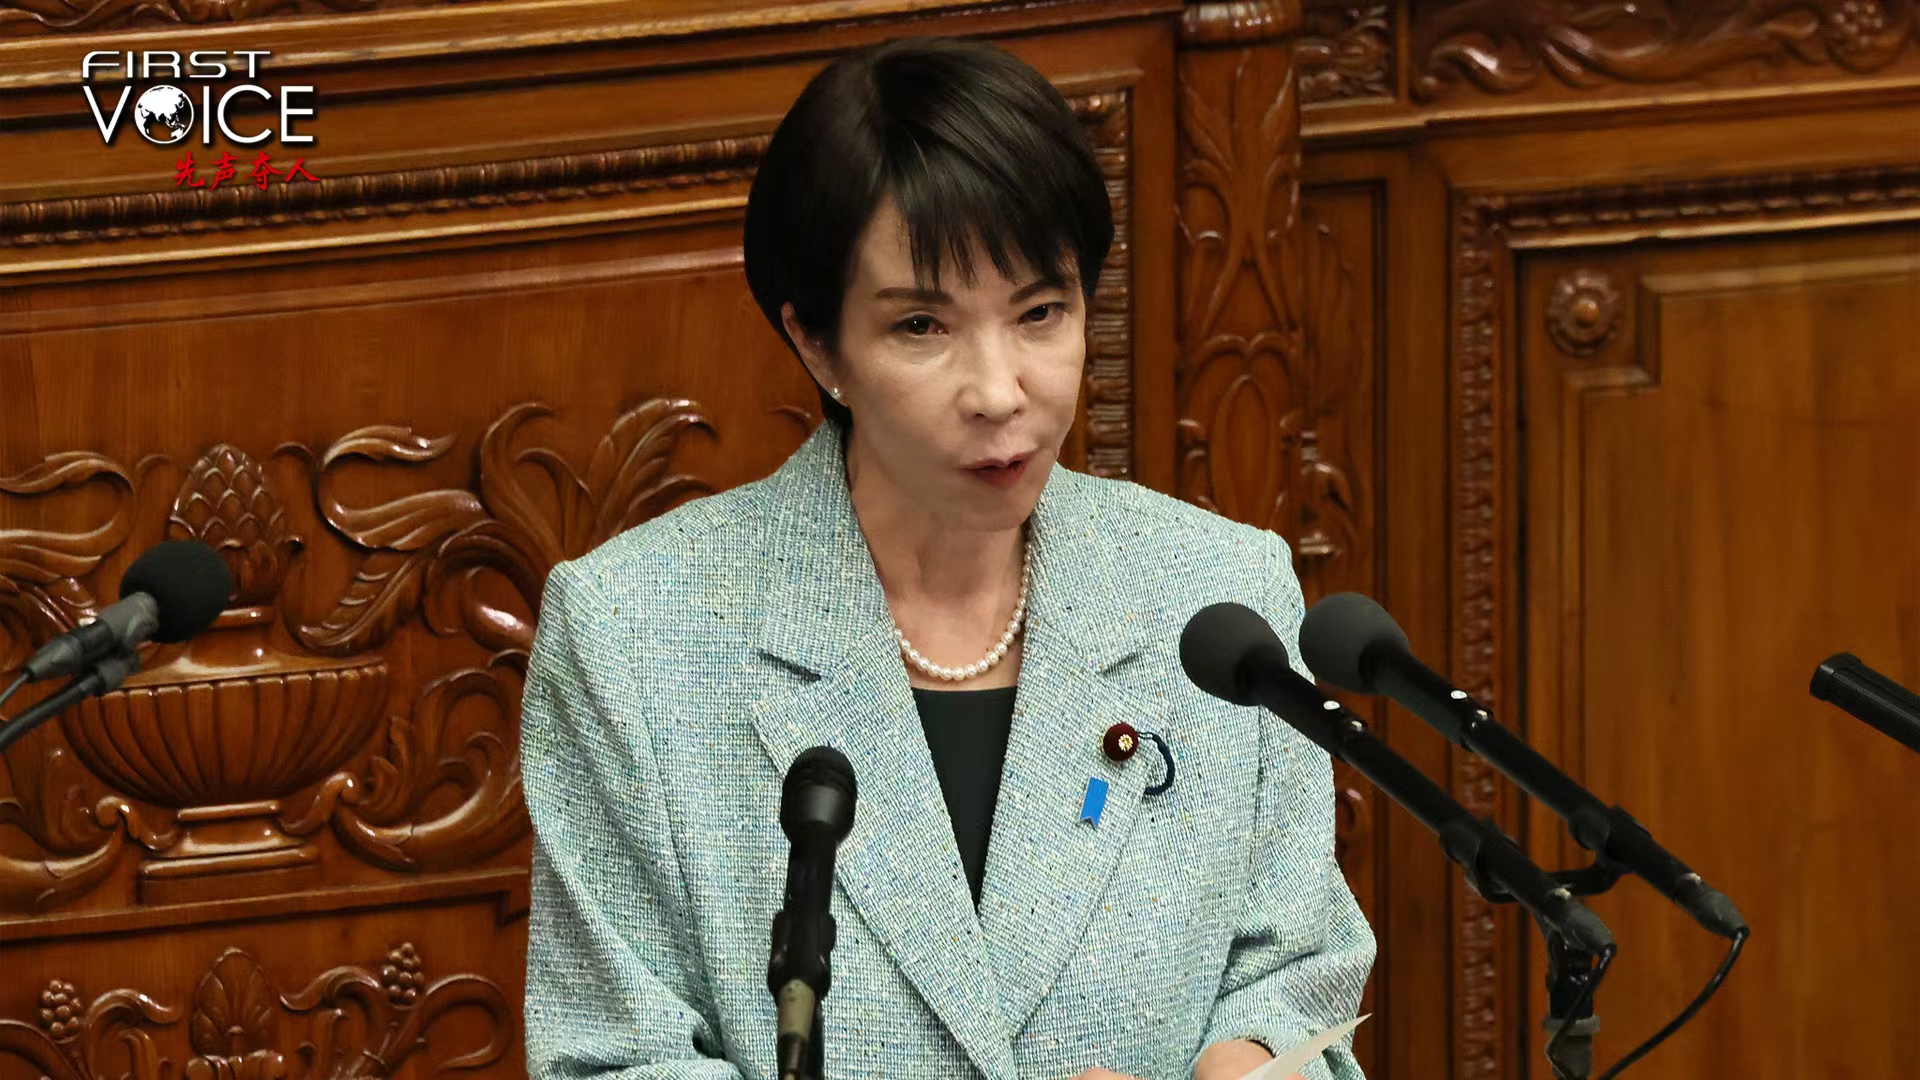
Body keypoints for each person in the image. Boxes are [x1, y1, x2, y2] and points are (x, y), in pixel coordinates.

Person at [520, 35, 1373, 1080]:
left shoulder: (1220, 600)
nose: (1000, 391)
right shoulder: (634, 633)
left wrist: (1247, 1062)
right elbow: (614, 1059)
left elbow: (1292, 977)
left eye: (1040, 312)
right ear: (818, 344)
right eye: (923, 325)